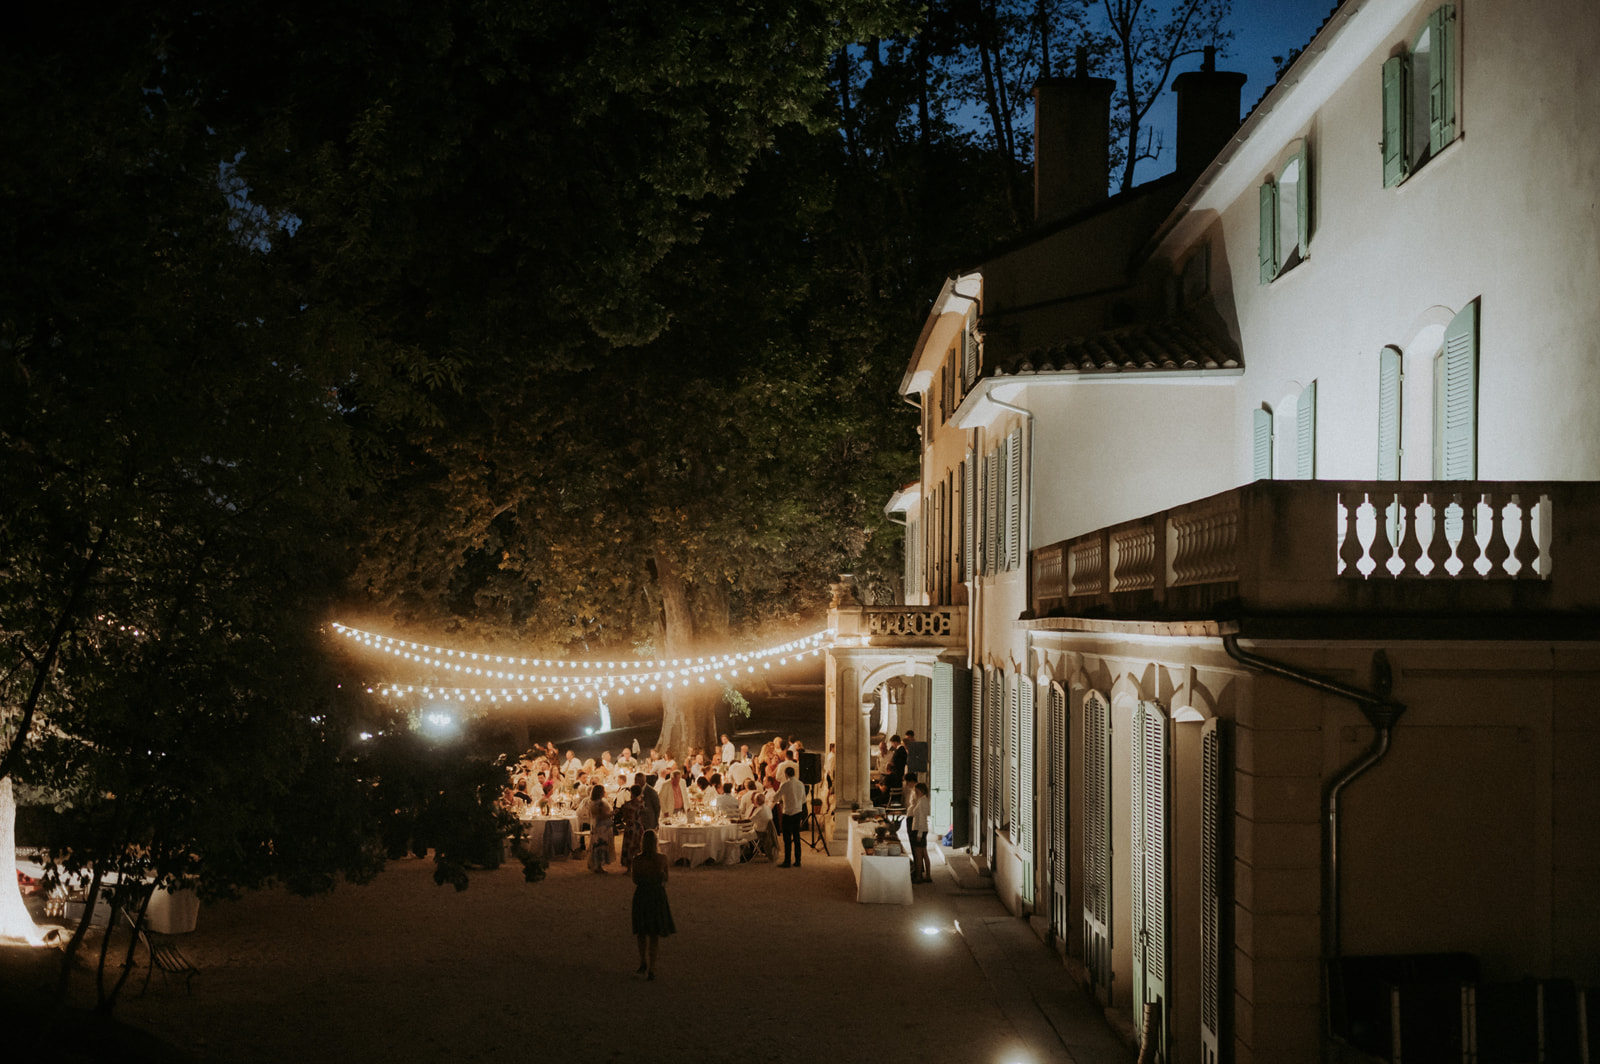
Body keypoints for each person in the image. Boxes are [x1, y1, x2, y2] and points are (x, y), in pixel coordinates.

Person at [631, 830, 675, 980]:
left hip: (642, 895)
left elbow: (635, 880)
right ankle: (652, 968)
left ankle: (643, 961)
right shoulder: (662, 859)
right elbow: (666, 878)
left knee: (641, 932)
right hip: (657, 896)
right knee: (654, 934)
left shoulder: (637, 861)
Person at [776, 764, 807, 868]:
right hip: (797, 812)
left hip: (787, 813)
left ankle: (787, 860)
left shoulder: (785, 785)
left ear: (786, 774)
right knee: (797, 837)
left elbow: (776, 797)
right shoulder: (801, 784)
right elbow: (803, 800)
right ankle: (798, 861)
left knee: (787, 838)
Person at [583, 785, 614, 872]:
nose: (605, 792)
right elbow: (602, 816)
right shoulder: (600, 803)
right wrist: (613, 813)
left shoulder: (592, 802)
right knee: (601, 846)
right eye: (603, 791)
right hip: (602, 827)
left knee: (596, 845)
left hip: (596, 826)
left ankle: (594, 864)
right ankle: (599, 866)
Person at [907, 781, 932, 883]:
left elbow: (922, 818)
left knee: (919, 855)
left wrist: (919, 834)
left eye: (916, 791)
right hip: (920, 829)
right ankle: (928, 875)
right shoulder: (922, 800)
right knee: (924, 853)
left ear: (920, 791)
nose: (915, 793)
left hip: (919, 829)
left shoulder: (922, 802)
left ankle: (918, 876)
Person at [618, 785, 646, 868]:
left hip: (630, 827)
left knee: (629, 847)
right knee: (638, 846)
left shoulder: (628, 804)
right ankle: (639, 866)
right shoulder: (642, 804)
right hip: (639, 827)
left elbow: (625, 817)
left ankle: (629, 867)